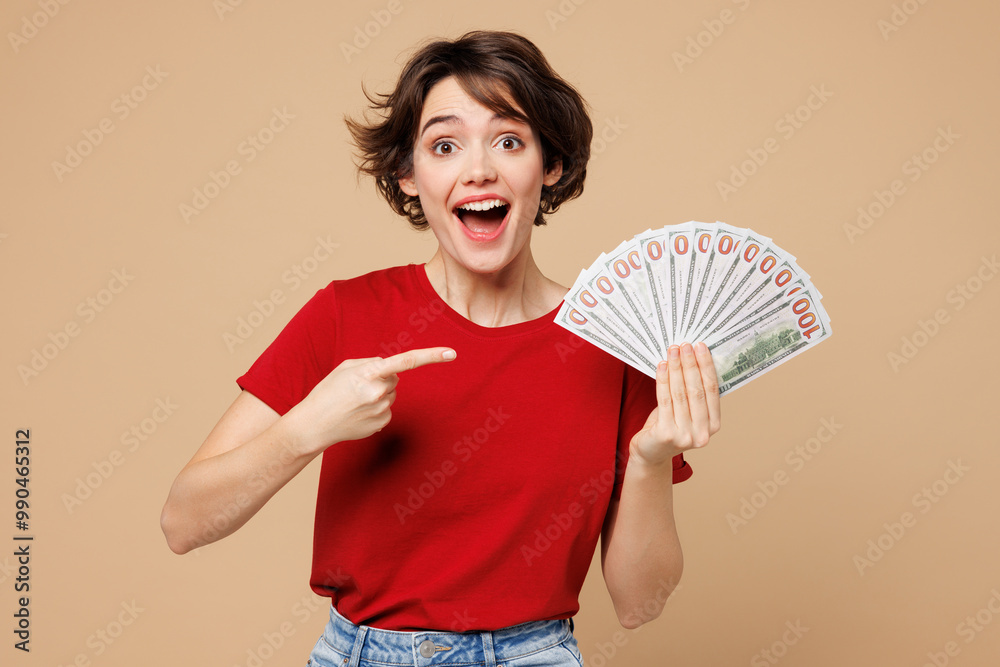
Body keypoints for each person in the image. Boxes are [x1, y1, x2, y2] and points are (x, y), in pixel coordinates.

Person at [160, 30, 721, 667]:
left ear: (551, 165)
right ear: (407, 176)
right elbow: (183, 524)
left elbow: (638, 605)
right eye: (445, 145)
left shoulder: (613, 341)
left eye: (509, 141)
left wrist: (649, 459)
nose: (478, 169)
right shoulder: (347, 313)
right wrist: (306, 428)